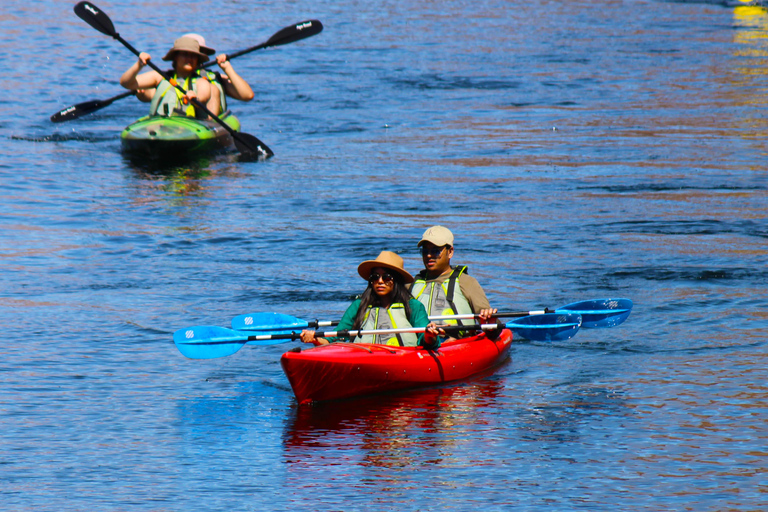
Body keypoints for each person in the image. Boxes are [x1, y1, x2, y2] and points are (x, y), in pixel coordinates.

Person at [299, 251, 440, 348]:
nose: (380, 281)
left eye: (386, 277)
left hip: (404, 357)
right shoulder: (359, 306)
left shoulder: (413, 306)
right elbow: (335, 338)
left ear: (396, 280)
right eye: (375, 277)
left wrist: (429, 335)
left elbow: (427, 340)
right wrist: (314, 339)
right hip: (365, 357)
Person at [129, 34, 254, 117]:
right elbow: (151, 95)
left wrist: (228, 69)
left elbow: (247, 95)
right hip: (171, 124)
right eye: (185, 53)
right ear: (177, 56)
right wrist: (141, 92)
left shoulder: (215, 77)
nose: (190, 57)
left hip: (204, 127)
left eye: (195, 53)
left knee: (213, 88)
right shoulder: (167, 77)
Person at [409, 226, 497, 333]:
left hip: (458, 342)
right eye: (425, 251)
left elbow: (490, 325)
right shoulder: (411, 285)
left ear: (450, 252)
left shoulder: (467, 282)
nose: (429, 255)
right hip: (421, 344)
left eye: (435, 251)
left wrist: (490, 322)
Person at [120, 36, 212, 118]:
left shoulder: (201, 82)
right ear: (175, 57)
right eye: (185, 54)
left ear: (197, 59)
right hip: (159, 125)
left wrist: (194, 99)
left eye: (193, 56)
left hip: (189, 127)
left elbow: (203, 97)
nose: (189, 59)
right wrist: (139, 65)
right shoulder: (159, 77)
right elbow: (126, 83)